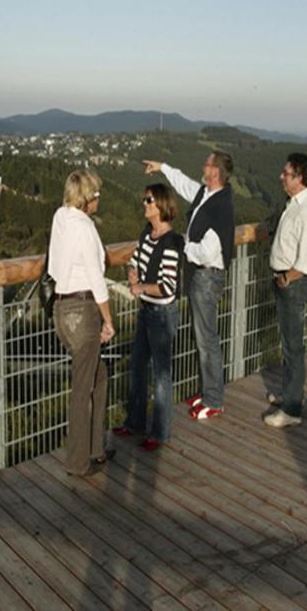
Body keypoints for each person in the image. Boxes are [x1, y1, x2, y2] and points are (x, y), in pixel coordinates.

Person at [143, 152, 235, 420]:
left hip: (206, 276)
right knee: (203, 337)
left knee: (206, 340)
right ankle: (209, 392)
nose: (202, 167)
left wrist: (182, 244)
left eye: (206, 164)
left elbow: (208, 252)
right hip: (202, 276)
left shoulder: (220, 207)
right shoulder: (209, 194)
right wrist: (162, 167)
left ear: (215, 171)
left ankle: (215, 400)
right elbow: (184, 185)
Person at [48, 170, 116, 475]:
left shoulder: (60, 217)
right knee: (82, 388)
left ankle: (95, 447)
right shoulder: (85, 228)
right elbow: (95, 278)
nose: (99, 198)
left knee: (97, 376)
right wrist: (108, 320)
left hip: (61, 310)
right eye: (97, 194)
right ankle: (78, 462)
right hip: (83, 310)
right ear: (88, 198)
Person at [113, 184, 184, 451]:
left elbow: (168, 286)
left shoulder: (170, 243)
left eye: (149, 200)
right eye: (145, 199)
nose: (144, 203)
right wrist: (133, 271)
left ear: (161, 205)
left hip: (161, 314)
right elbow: (135, 260)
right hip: (147, 311)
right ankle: (135, 423)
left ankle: (160, 433)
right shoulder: (148, 234)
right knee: (138, 368)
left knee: (161, 375)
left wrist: (140, 287)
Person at [264, 152, 307, 428]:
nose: (281, 176)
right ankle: (291, 395)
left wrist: (287, 278)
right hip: (284, 281)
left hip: (293, 284)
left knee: (293, 347)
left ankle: (291, 409)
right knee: (288, 344)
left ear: (299, 178)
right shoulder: (294, 204)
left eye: (286, 173)